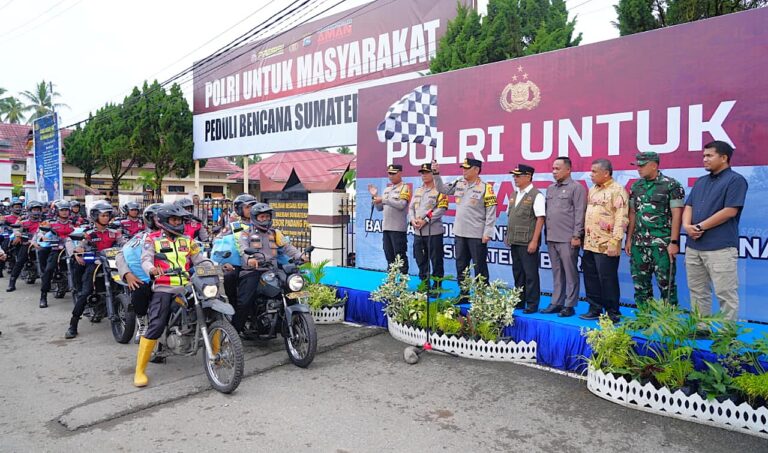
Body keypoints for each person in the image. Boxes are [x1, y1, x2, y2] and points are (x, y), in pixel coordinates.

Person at [134, 203, 212, 387]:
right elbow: (145, 259)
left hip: (187, 285)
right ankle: (139, 370)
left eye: (180, 220)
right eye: (174, 220)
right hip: (164, 287)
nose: (178, 223)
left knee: (210, 311)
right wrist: (152, 269)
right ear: (162, 221)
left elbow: (199, 259)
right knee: (157, 324)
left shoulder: (188, 240)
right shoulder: (151, 239)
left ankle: (215, 355)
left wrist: (212, 266)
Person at [683, 140, 748, 322]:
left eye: (709, 156)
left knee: (725, 293)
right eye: (704, 155)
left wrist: (700, 227)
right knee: (697, 291)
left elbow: (730, 211)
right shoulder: (701, 181)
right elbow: (689, 205)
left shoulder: (735, 180)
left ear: (724, 158)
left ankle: (725, 335)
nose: (704, 159)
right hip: (694, 247)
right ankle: (700, 327)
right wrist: (687, 226)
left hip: (720, 248)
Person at [234, 202, 306, 333]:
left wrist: (300, 255)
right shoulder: (245, 234)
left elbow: (287, 247)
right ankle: (234, 332)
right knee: (244, 302)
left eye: (267, 217)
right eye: (262, 217)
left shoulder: (275, 233)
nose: (265, 220)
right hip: (253, 271)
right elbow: (242, 249)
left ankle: (288, 321)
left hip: (273, 270)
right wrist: (250, 259)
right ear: (255, 217)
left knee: (290, 291)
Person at [433, 158, 497, 303]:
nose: (464, 170)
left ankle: (481, 296)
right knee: (461, 265)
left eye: (467, 168)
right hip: (460, 232)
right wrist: (436, 174)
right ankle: (464, 294)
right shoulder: (459, 183)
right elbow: (442, 189)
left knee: (479, 266)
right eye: (463, 167)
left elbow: (491, 212)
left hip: (476, 234)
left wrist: (488, 232)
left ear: (476, 170)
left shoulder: (486, 188)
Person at [625, 152, 685, 306]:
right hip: (639, 245)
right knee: (640, 285)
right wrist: (629, 239)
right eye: (637, 165)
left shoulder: (672, 185)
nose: (638, 168)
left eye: (642, 165)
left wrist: (674, 242)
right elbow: (632, 213)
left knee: (666, 285)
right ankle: (644, 319)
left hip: (662, 244)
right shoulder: (636, 186)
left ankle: (668, 322)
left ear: (654, 165)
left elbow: (677, 215)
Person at [65, 201, 126, 339]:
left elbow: (124, 244)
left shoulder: (115, 233)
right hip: (95, 264)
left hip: (112, 264)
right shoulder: (88, 234)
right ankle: (73, 325)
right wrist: (78, 251)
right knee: (85, 292)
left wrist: (129, 246)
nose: (106, 218)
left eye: (107, 215)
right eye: (103, 215)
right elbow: (80, 246)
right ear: (95, 216)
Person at [580, 159, 628, 323]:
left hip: (607, 244)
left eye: (594, 172)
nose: (590, 175)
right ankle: (594, 308)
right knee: (590, 277)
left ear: (606, 173)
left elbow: (621, 218)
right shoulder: (593, 189)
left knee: (607, 279)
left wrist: (615, 241)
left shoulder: (618, 190)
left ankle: (612, 312)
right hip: (590, 243)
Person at [540, 157, 586, 317]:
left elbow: (580, 213)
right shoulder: (551, 188)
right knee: (557, 272)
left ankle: (570, 304)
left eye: (557, 168)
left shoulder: (576, 188)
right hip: (552, 237)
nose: (554, 172)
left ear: (568, 170)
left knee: (570, 272)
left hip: (568, 238)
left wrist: (576, 235)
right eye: (553, 168)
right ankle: (557, 302)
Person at [116, 203, 162, 343]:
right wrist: (127, 274)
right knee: (139, 289)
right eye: (158, 218)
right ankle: (142, 322)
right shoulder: (140, 237)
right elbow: (120, 254)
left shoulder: (181, 237)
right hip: (147, 279)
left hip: (175, 278)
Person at [505, 164, 545, 314]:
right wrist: (508, 235)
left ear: (528, 177)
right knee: (518, 272)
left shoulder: (537, 195)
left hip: (528, 241)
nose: (515, 178)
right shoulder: (514, 194)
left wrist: (534, 240)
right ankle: (519, 300)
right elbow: (511, 217)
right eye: (514, 176)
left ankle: (532, 303)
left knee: (530, 274)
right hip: (515, 240)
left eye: (518, 176)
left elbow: (540, 219)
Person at [409, 163, 448, 291]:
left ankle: (437, 286)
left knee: (436, 260)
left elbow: (441, 209)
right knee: (420, 258)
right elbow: (411, 208)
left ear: (433, 174)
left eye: (426, 172)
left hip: (434, 232)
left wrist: (425, 220)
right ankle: (424, 283)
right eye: (422, 173)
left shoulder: (440, 190)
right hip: (418, 232)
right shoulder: (418, 190)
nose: (424, 175)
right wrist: (412, 220)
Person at [368, 164, 411, 274]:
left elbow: (401, 205)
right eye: (389, 173)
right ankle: (391, 281)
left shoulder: (405, 188)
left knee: (400, 256)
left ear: (400, 173)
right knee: (389, 256)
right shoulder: (387, 189)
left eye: (393, 173)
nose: (390, 176)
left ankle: (402, 281)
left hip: (398, 229)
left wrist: (384, 199)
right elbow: (379, 208)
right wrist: (375, 196)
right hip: (386, 228)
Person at [35, 200, 75, 308]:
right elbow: (39, 232)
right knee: (48, 270)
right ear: (56, 211)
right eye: (62, 210)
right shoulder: (50, 222)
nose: (65, 212)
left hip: (74, 250)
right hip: (57, 249)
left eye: (66, 210)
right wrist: (42, 237)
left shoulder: (75, 222)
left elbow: (85, 231)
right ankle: (43, 296)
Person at [6, 200, 44, 292]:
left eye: (38, 209)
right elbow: (16, 230)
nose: (36, 212)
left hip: (41, 245)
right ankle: (12, 282)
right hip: (27, 244)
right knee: (20, 261)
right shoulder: (23, 222)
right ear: (29, 210)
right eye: (34, 209)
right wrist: (18, 234)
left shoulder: (44, 222)